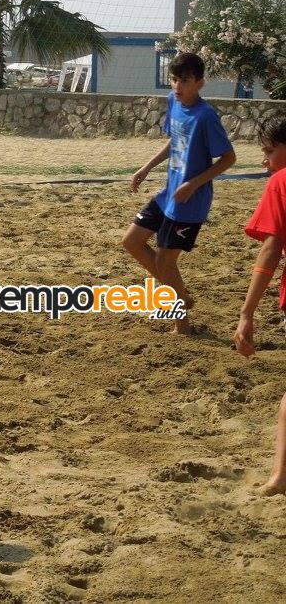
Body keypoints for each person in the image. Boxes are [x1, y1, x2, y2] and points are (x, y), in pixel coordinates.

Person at [122, 52, 236, 335]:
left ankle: (182, 324)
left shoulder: (206, 116)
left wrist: (193, 184)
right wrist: (145, 168)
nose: (177, 86)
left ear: (200, 82)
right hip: (169, 193)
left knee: (164, 260)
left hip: (190, 201)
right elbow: (175, 141)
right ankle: (180, 295)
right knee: (131, 242)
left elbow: (228, 159)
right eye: (173, 79)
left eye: (184, 80)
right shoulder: (173, 102)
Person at [233, 111, 286, 496]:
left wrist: (247, 312)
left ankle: (280, 479)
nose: (264, 161)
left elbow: (270, 251)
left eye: (269, 151)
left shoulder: (281, 184)